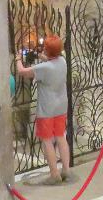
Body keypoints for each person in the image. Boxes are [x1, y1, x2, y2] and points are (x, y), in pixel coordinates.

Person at [15, 34, 70, 184]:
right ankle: (66, 169)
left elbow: (22, 72)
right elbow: (51, 61)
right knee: (61, 137)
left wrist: (18, 58)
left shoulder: (43, 68)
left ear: (47, 49)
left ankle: (54, 173)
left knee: (47, 141)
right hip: (61, 106)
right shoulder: (62, 62)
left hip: (47, 109)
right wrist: (42, 55)